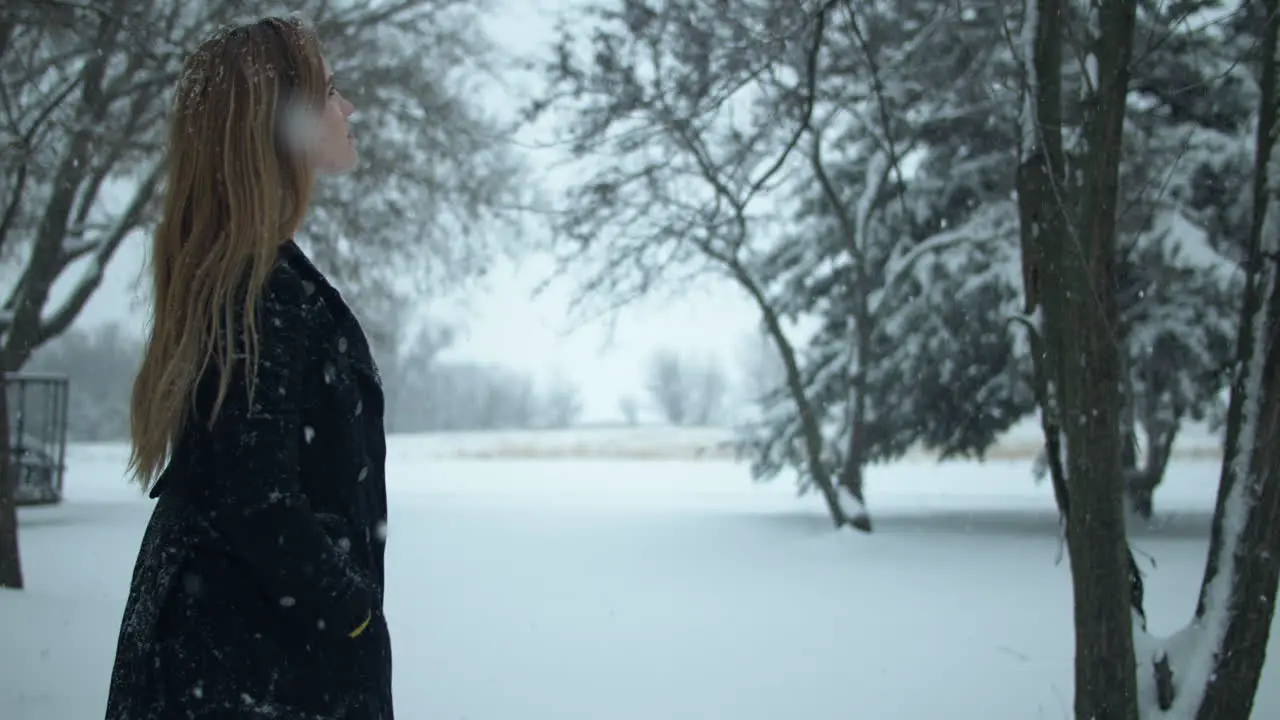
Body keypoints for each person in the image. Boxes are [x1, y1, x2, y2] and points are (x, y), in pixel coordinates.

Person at [104, 16, 393, 719]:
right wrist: (350, 612)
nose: (346, 107)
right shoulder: (261, 292)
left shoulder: (248, 278)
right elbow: (255, 497)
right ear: (280, 122)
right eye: (328, 91)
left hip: (235, 654)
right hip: (248, 667)